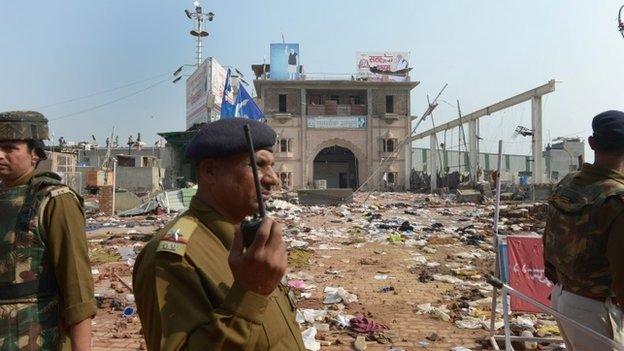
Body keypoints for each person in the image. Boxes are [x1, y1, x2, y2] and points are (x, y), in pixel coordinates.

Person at [133, 118, 305, 351]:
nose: (273, 178)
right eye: (258, 165)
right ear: (210, 171)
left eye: (272, 166)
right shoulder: (174, 257)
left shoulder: (249, 242)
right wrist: (251, 293)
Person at [0, 111, 96, 350]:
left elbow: (77, 288)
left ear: (35, 154)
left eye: (10, 148)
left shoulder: (54, 200)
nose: (0, 155)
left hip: (37, 338)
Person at [544, 110, 624, 350]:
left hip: (563, 297)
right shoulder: (617, 200)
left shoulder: (568, 183)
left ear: (591, 143)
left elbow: (548, 240)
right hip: (597, 309)